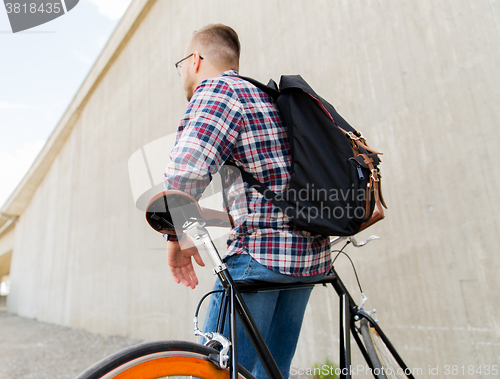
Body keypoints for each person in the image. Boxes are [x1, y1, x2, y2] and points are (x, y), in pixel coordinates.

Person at [163, 23, 332, 379]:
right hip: (308, 258)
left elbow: (183, 177)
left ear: (195, 60)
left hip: (260, 257)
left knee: (216, 373)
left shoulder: (218, 92)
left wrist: (177, 238)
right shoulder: (268, 99)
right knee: (269, 373)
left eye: (181, 64)